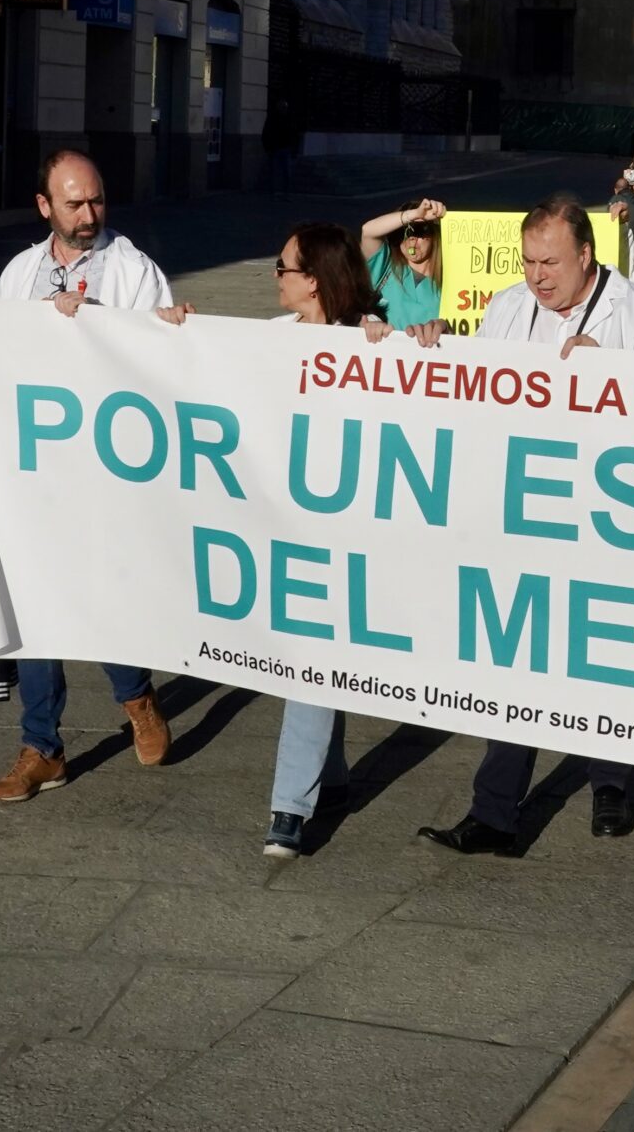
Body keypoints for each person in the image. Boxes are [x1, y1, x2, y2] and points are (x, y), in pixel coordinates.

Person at [0, 149, 182, 798]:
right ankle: (42, 746)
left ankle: (136, 696)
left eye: (96, 200)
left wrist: (95, 325)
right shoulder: (19, 273)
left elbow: (166, 365)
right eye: (74, 203)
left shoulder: (135, 271)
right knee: (30, 596)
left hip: (105, 468)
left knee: (103, 591)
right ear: (44, 207)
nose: (89, 214)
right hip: (29, 470)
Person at [418, 195, 634, 855]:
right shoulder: (509, 307)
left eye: (550, 262)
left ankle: (612, 781)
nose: (537, 275)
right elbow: (474, 392)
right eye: (529, 260)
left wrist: (614, 373)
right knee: (519, 653)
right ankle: (495, 810)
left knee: (606, 646)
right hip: (526, 507)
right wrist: (434, 347)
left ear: (587, 256)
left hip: (612, 511)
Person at [257, 223, 399, 857]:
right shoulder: (271, 340)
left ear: (312, 279)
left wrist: (404, 344)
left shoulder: (369, 343)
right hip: (287, 529)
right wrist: (176, 325)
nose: (276, 277)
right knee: (319, 655)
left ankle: (290, 805)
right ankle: (331, 778)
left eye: (282, 267)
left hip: (349, 535)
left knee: (313, 656)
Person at [359, 197, 445, 327]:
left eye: (419, 230)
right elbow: (368, 231)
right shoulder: (385, 268)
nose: (411, 238)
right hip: (391, 346)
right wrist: (413, 215)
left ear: (434, 235)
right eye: (403, 232)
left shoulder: (449, 276)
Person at [260, 96, 302, 197]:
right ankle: (277, 193)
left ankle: (284, 193)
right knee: (278, 172)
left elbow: (294, 134)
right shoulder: (274, 118)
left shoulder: (288, 118)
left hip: (284, 148)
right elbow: (266, 133)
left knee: (284, 172)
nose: (284, 109)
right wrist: (268, 148)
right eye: (282, 107)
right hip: (277, 148)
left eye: (285, 107)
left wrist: (294, 148)